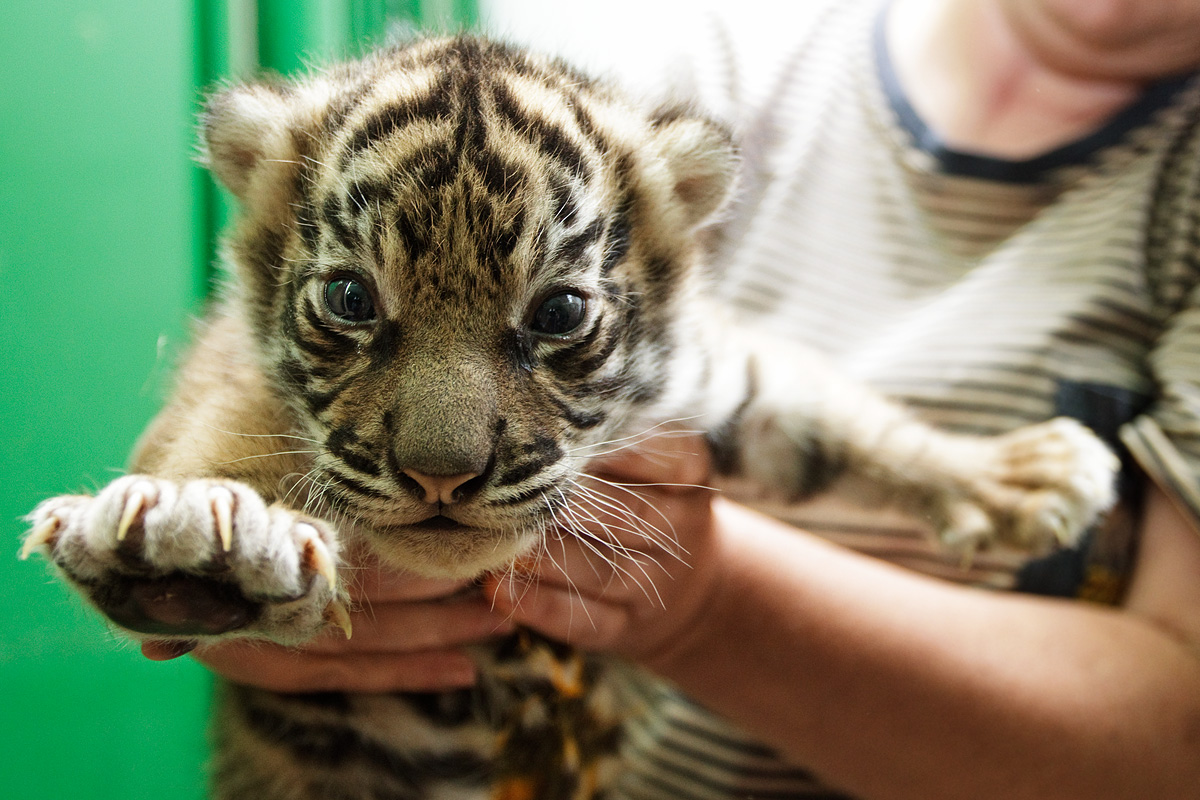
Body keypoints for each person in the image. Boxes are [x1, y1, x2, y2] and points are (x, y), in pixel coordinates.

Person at [147, 0, 1200, 796]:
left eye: (556, 318)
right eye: (349, 299)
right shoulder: (728, 64)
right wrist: (205, 516)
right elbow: (224, 382)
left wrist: (701, 600)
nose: (444, 454)